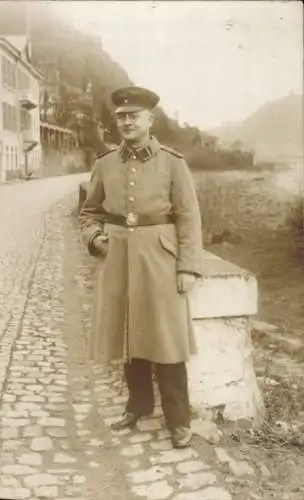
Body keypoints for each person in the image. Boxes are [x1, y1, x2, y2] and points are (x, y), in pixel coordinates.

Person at [79, 86, 203, 448]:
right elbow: (90, 212)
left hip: (161, 258)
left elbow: (189, 217)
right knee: (129, 334)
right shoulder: (105, 163)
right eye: (121, 116)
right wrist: (96, 240)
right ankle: (139, 406)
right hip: (118, 258)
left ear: (150, 120)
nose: (127, 121)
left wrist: (187, 267)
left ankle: (179, 419)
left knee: (167, 337)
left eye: (135, 115)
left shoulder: (172, 162)